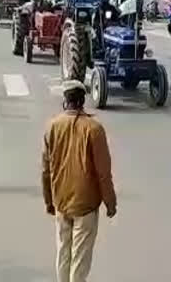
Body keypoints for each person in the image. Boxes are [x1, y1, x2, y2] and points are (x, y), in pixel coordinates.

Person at [42, 80, 117, 282]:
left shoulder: (52, 126)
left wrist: (49, 201)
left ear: (65, 101)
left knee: (63, 253)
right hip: (86, 206)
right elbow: (104, 173)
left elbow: (46, 170)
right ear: (83, 100)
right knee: (80, 261)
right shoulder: (94, 129)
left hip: (61, 201)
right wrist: (110, 202)